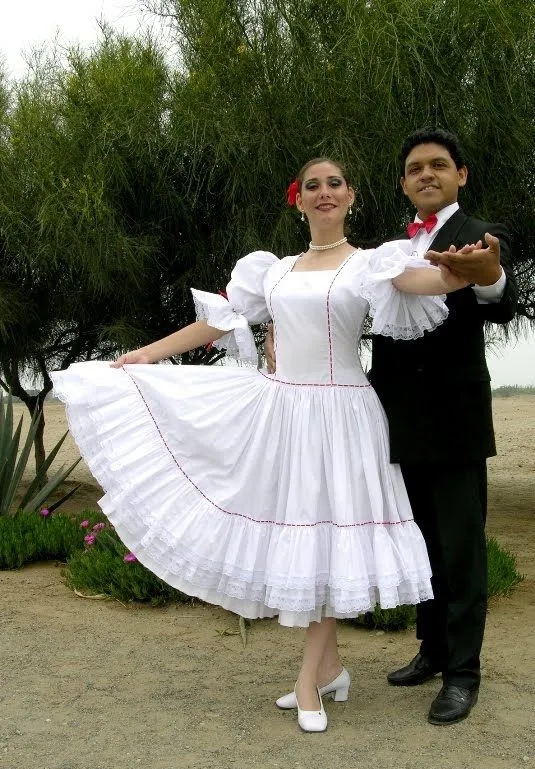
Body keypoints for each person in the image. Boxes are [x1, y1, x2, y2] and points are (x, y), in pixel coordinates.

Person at [52, 157, 467, 734]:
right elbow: (220, 322)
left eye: (335, 185)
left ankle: (307, 682)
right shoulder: (270, 271)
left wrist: (463, 271)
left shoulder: (371, 263)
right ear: (298, 200)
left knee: (323, 538)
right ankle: (332, 670)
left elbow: (429, 280)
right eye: (313, 186)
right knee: (301, 537)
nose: (325, 193)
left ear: (352, 197)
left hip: (344, 414)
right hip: (285, 414)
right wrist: (151, 354)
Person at [267, 134, 518, 726]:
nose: (425, 175)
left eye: (437, 166)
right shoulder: (395, 246)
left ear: (461, 173)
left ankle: (464, 674)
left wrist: (489, 272)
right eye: (414, 169)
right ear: (403, 183)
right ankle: (431, 651)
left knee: (459, 549)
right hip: (391, 420)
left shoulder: (483, 230)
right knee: (421, 541)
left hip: (454, 421)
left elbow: (500, 294)